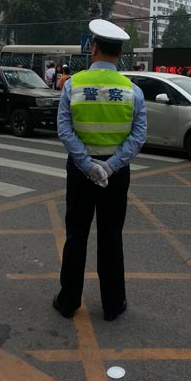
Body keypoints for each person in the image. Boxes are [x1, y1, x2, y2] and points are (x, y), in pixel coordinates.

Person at [54, 19, 147, 321]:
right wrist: (110, 165)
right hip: (116, 174)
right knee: (110, 236)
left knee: (76, 235)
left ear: (93, 49)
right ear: (119, 54)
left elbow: (65, 129)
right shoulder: (133, 91)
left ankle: (68, 302)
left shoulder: (73, 84)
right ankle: (112, 304)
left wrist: (86, 164)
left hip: (81, 172)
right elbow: (138, 135)